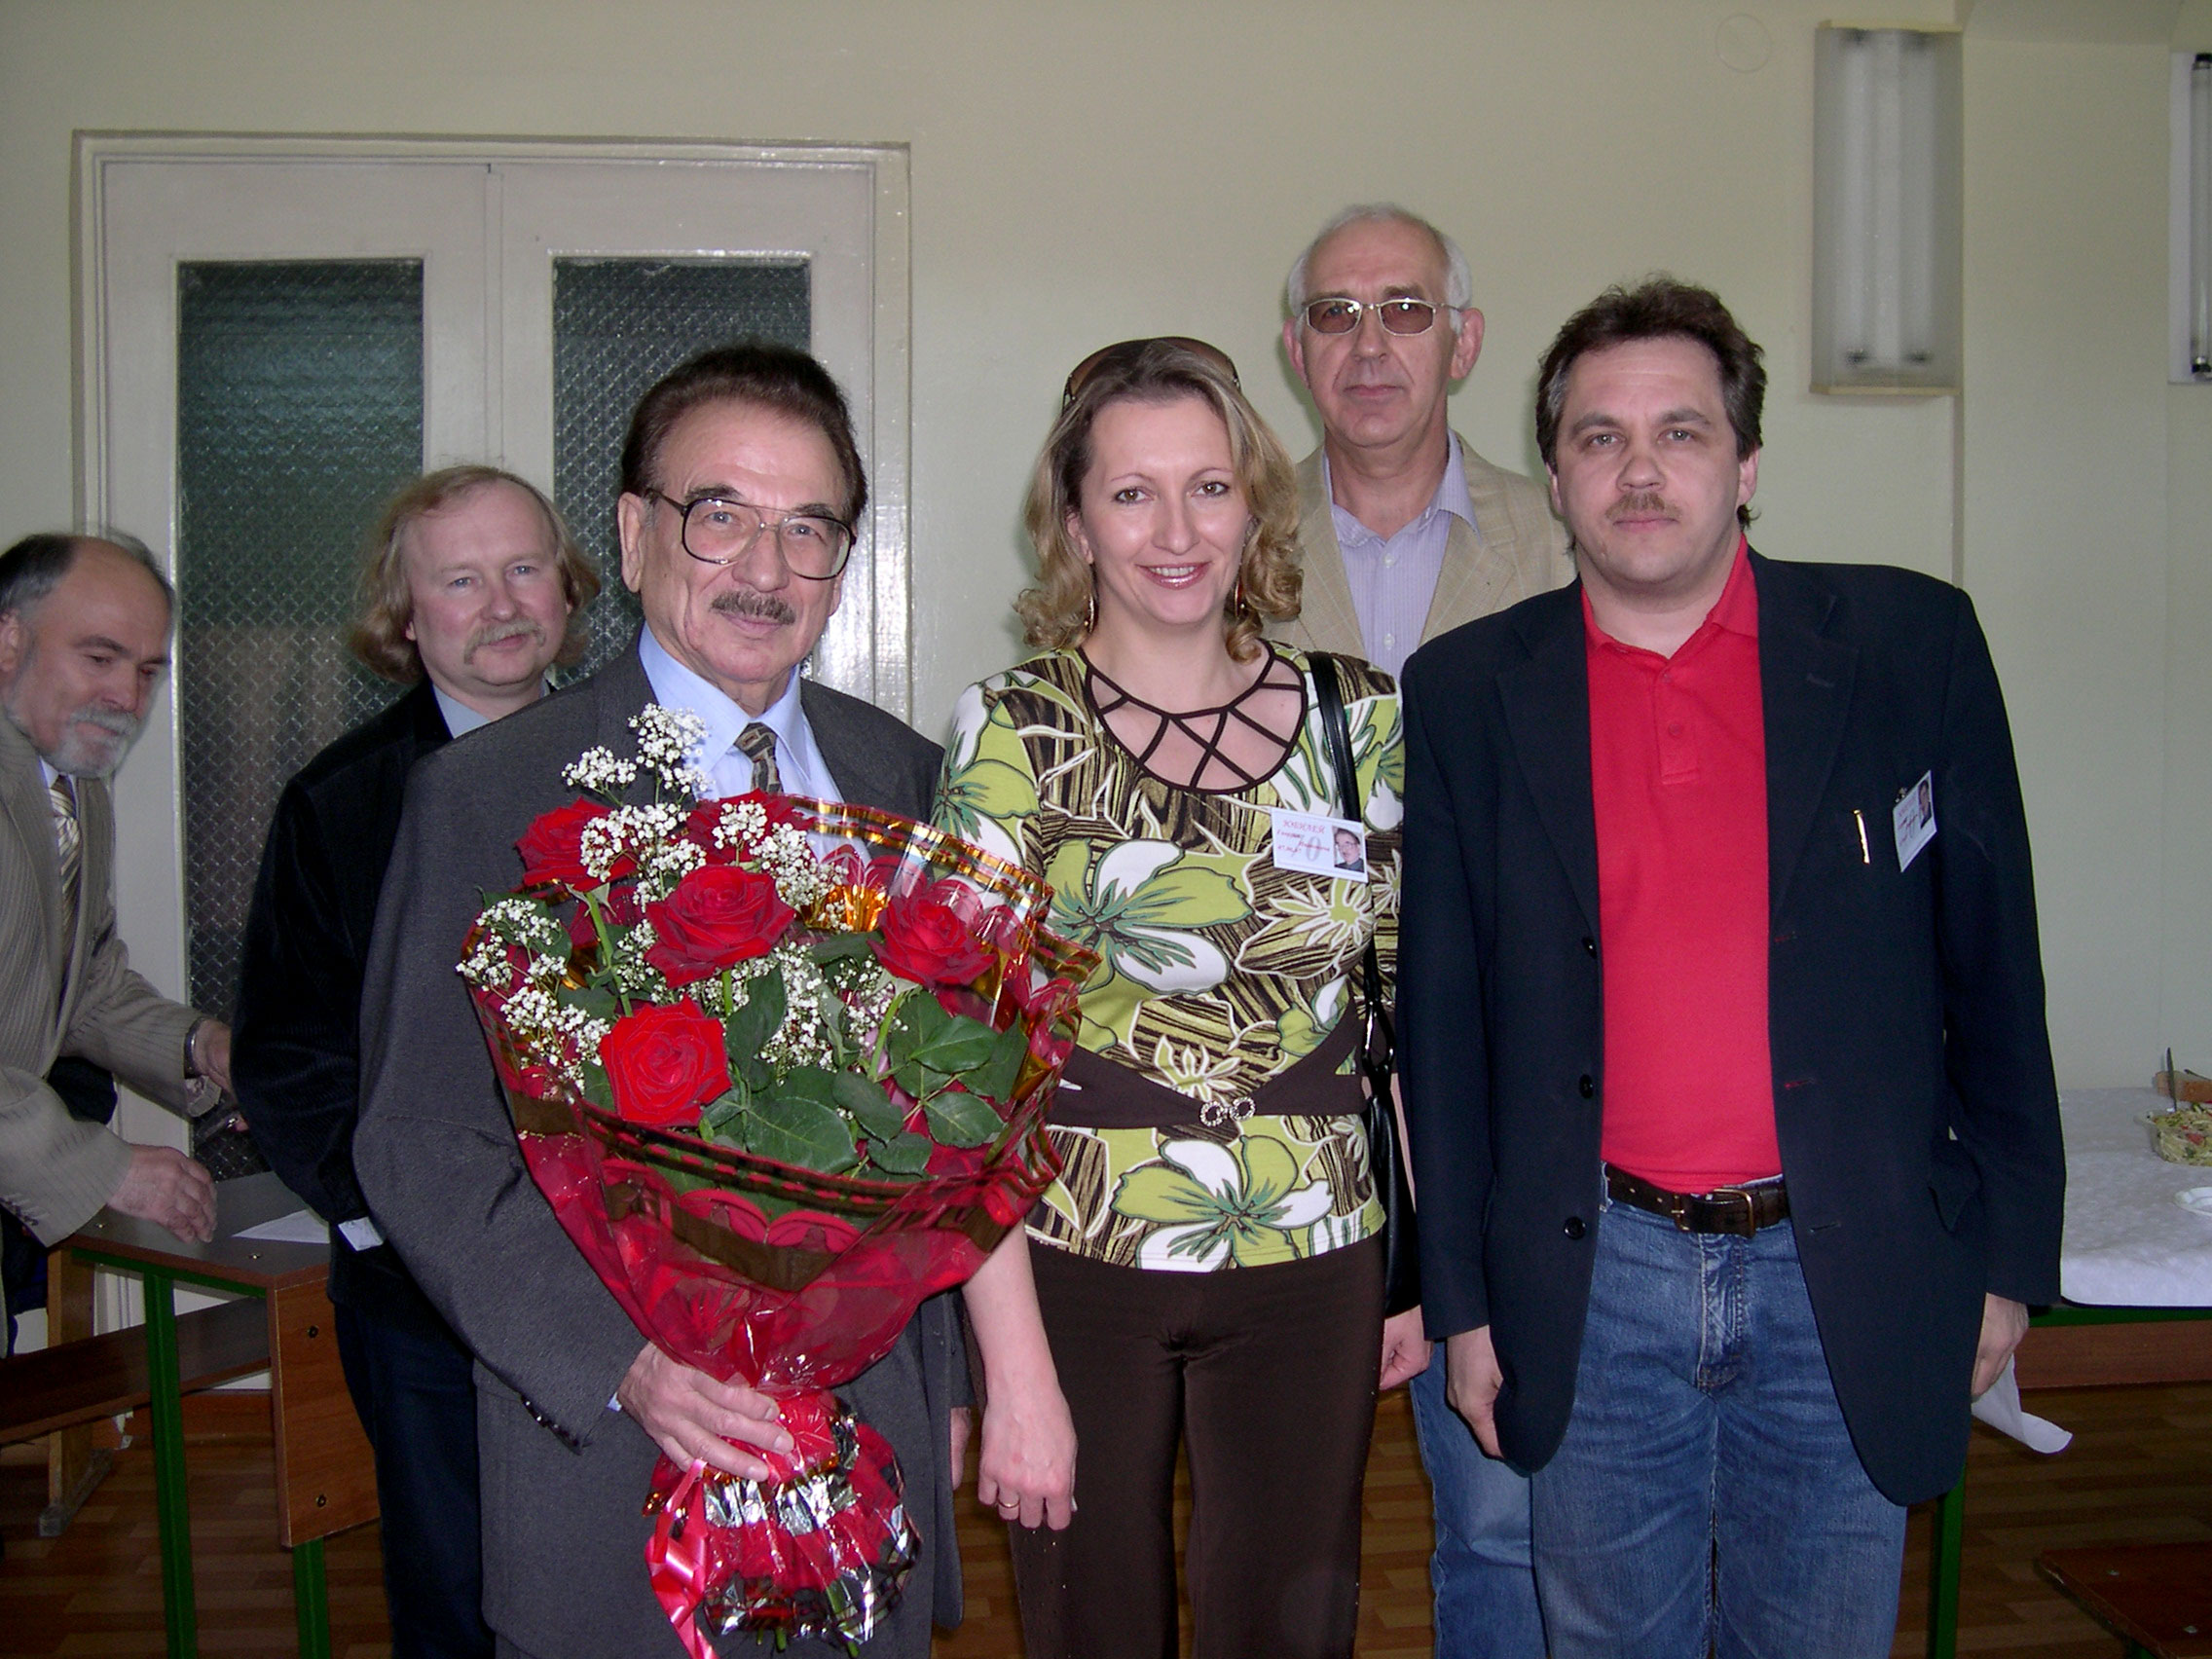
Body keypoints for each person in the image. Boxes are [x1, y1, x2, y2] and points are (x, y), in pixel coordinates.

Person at [1398, 278, 2065, 1657]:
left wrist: (2006, 1261)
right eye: (1598, 438)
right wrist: (1460, 1303)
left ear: (1747, 464)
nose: (1639, 471)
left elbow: (1996, 973)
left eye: (1682, 432)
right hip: (1597, 1278)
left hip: (1845, 1270)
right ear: (1556, 477)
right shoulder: (1466, 692)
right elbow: (1442, 1031)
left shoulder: (1909, 648)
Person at [352, 343, 966, 1659]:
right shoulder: (490, 795)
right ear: (634, 537)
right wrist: (621, 1360)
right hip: (617, 1457)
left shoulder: (906, 780)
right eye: (720, 514)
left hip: (870, 1447)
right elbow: (418, 1140)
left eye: (808, 528)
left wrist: (954, 1380)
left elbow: (952, 1115)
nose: (764, 568)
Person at [940, 338, 1426, 1659]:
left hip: (1316, 1250)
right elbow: (962, 1074)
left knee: (1292, 1626)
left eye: (1209, 488)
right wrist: (1011, 1371)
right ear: (1074, 524)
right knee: (1092, 1628)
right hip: (1076, 1252)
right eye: (1132, 493)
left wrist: (1415, 1271)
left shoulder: (1359, 718)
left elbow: (1397, 1011)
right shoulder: (1011, 729)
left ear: (1253, 507)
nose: (1175, 531)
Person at [233, 465, 597, 1657]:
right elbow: (288, 1056)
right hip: (423, 1296)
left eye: (524, 568)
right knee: (456, 1601)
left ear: (568, 589)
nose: (502, 604)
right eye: (460, 581)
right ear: (404, 618)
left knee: (611, 1590)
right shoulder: (338, 803)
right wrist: (393, 1220)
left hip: (622, 1283)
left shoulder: (645, 766)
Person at [1275, 203, 1567, 1657]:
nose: (1370, 343)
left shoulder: (1567, 538)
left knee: (1505, 1507)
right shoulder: (1217, 538)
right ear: (1295, 350)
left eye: (1405, 308)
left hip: (1499, 1083)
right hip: (1278, 1087)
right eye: (1337, 313)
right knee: (1271, 1525)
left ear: (1463, 340)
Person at [0, 534, 232, 1306]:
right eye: (99, 658)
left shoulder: (70, 784)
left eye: (147, 671)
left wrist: (206, 1049)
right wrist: (107, 1169)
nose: (129, 700)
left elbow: (83, 986)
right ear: (7, 639)